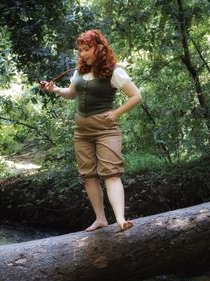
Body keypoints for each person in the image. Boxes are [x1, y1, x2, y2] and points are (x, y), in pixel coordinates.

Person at [41, 29, 142, 231]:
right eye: (80, 50)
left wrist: (115, 114)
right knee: (88, 175)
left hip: (106, 130)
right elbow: (71, 94)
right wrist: (55, 90)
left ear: (99, 48)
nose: (82, 54)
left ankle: (121, 220)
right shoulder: (79, 71)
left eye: (86, 49)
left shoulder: (115, 71)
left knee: (111, 173)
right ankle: (100, 219)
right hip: (81, 131)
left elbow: (136, 96)